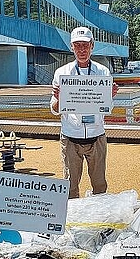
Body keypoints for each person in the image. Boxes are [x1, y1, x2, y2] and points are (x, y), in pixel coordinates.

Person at [50, 26, 118, 199]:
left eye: (85, 45)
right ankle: (72, 222)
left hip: (97, 136)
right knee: (70, 187)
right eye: (77, 45)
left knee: (100, 185)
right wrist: (59, 98)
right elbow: (54, 110)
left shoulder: (103, 72)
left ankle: (99, 219)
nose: (81, 49)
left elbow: (107, 108)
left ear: (92, 46)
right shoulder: (62, 73)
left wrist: (110, 95)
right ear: (71, 47)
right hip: (70, 138)